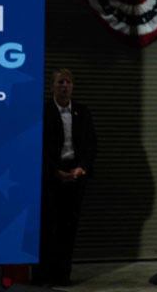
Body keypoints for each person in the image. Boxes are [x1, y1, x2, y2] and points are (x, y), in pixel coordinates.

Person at [33, 68, 97, 286]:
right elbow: (39, 146)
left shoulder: (82, 112)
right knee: (49, 228)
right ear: (52, 86)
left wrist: (82, 168)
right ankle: (44, 276)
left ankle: (63, 276)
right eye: (60, 82)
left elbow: (90, 144)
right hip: (51, 178)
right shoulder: (44, 111)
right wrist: (54, 171)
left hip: (76, 176)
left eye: (68, 82)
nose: (64, 86)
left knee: (69, 229)